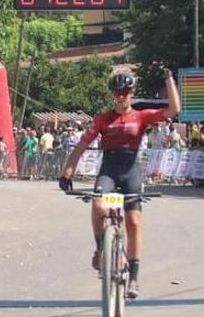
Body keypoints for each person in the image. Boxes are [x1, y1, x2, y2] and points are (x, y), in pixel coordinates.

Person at [59, 69, 180, 299]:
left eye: (125, 92)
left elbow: (174, 110)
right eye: (116, 92)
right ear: (112, 95)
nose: (120, 96)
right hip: (109, 172)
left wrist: (169, 79)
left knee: (133, 222)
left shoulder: (142, 116)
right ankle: (101, 248)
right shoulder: (103, 119)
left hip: (131, 173)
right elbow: (82, 145)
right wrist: (68, 171)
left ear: (131, 93)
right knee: (97, 205)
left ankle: (134, 277)